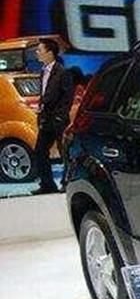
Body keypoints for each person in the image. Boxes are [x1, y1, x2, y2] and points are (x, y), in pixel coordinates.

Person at [33, 39, 74, 194]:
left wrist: (60, 117)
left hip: (58, 120)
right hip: (46, 119)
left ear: (50, 53)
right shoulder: (43, 71)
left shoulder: (63, 72)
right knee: (40, 151)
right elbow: (44, 94)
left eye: (39, 50)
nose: (37, 53)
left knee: (65, 153)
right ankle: (47, 184)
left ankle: (67, 183)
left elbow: (68, 97)